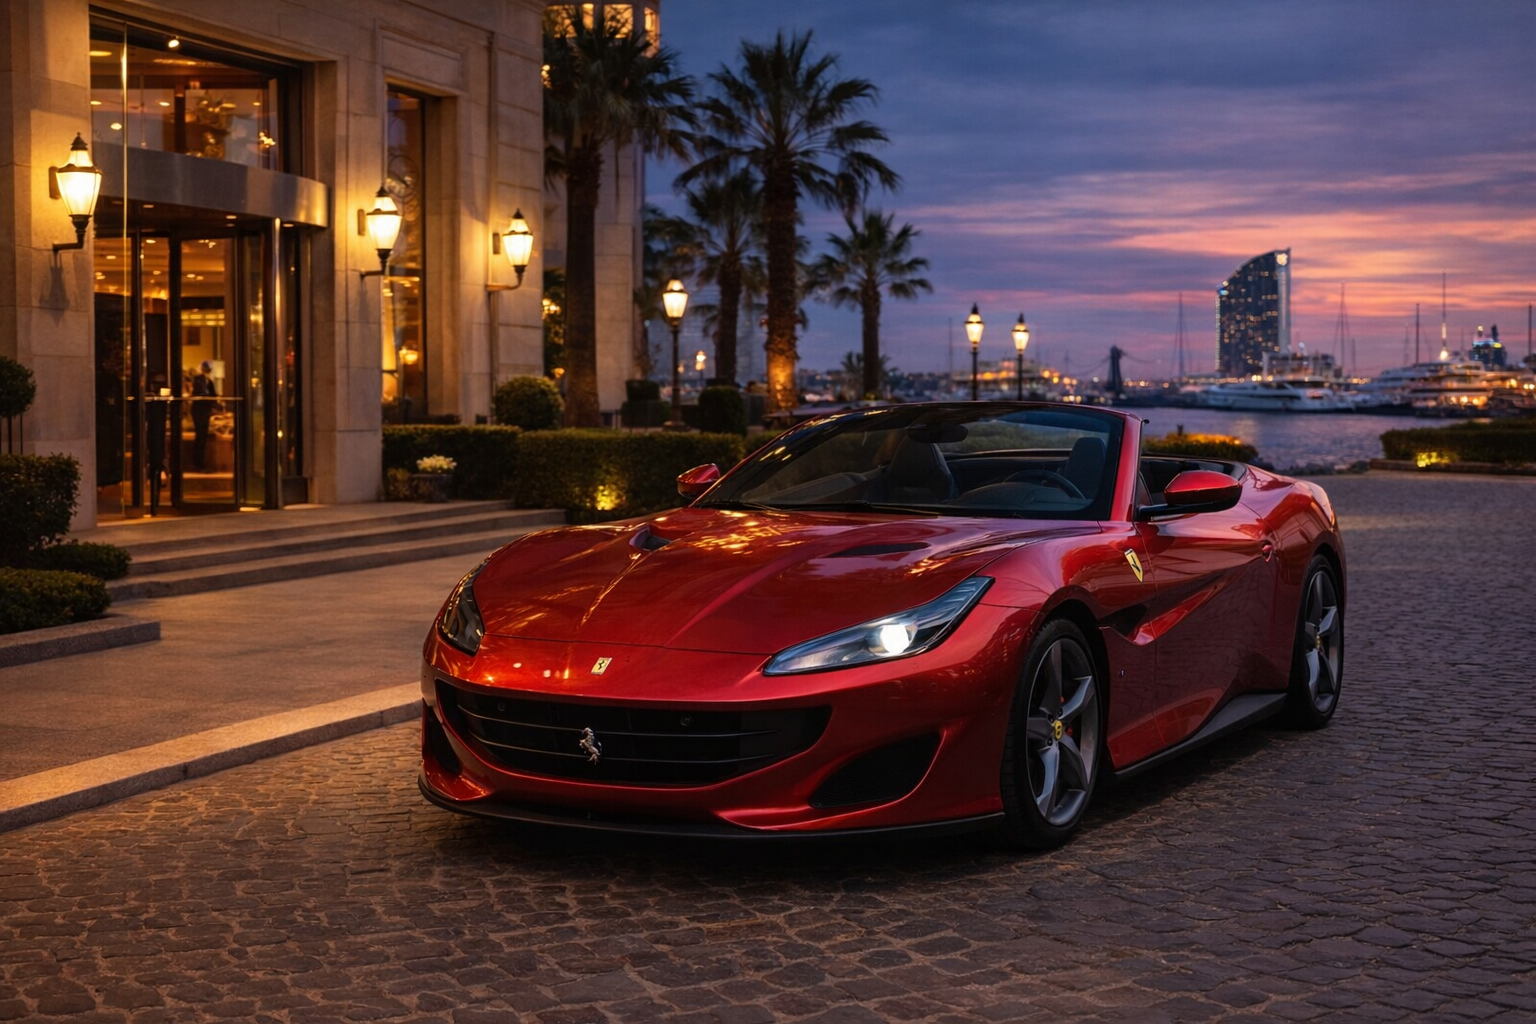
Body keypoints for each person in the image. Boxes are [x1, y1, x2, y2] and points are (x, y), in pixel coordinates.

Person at [190, 360, 215, 471]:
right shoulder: (200, 380)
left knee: (201, 437)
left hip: (202, 410)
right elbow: (205, 394)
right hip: (200, 411)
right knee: (200, 437)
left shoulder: (205, 381)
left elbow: (211, 395)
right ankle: (198, 463)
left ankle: (198, 463)